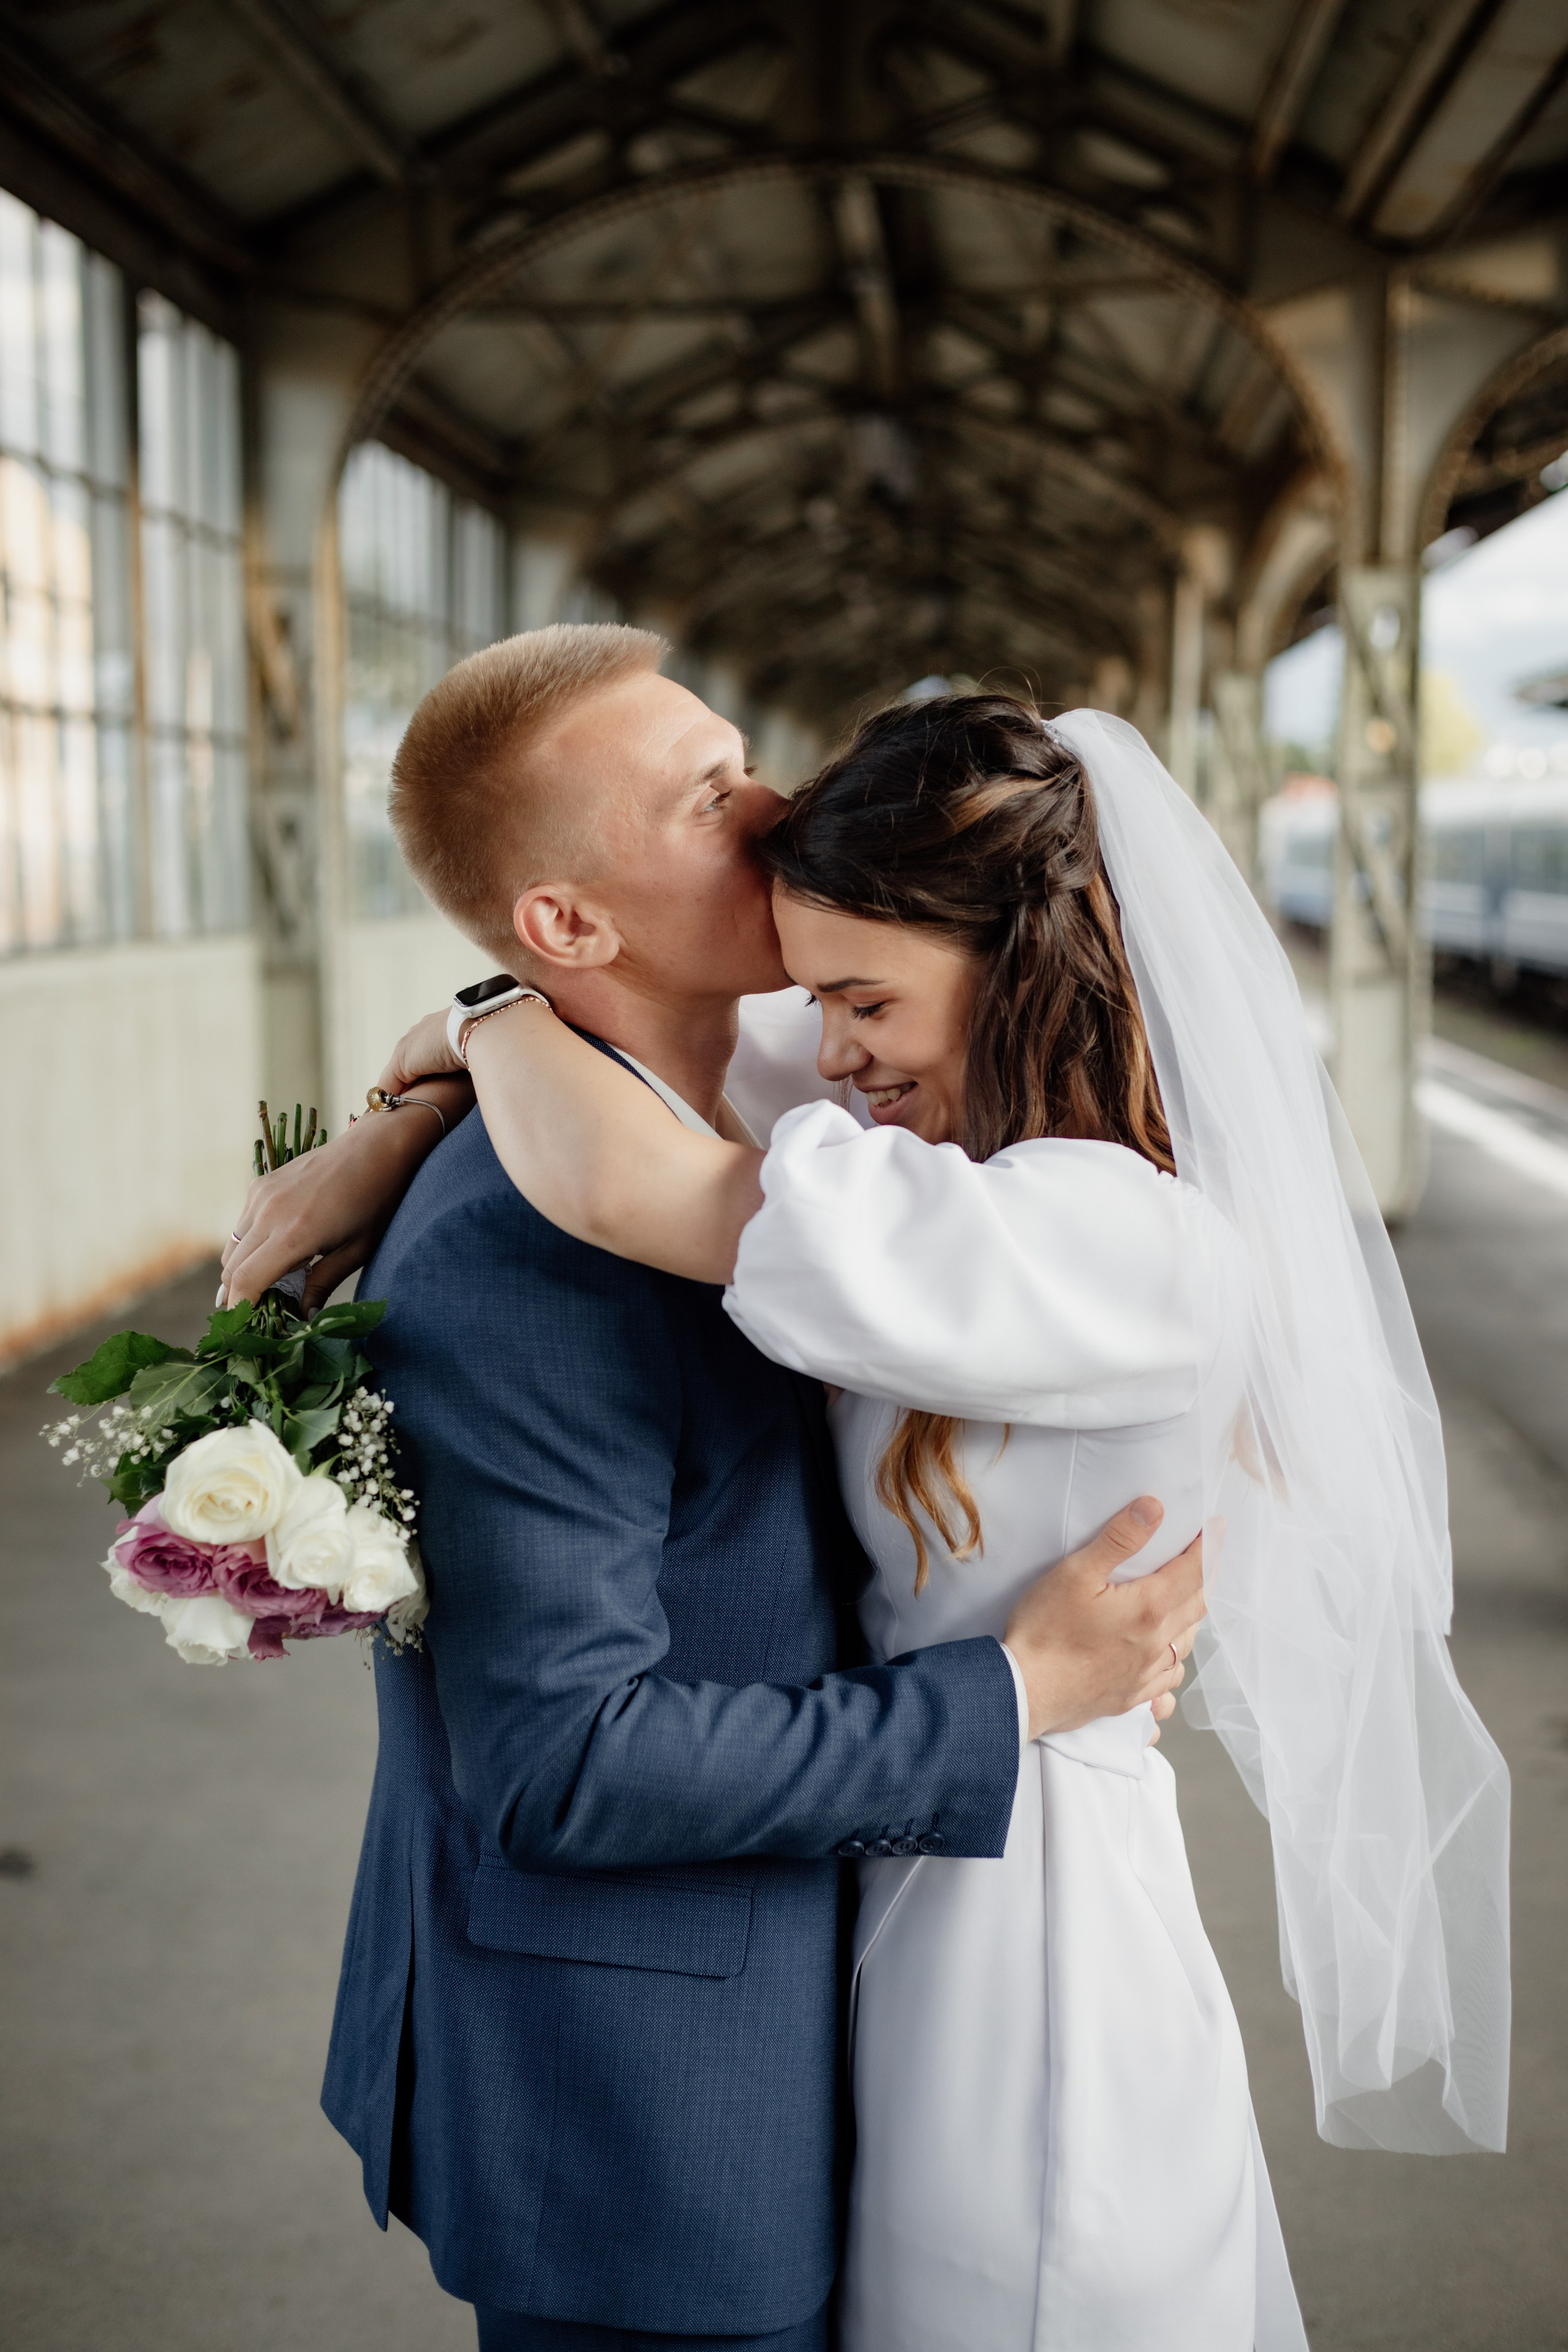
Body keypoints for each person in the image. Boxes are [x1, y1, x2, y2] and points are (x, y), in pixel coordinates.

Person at [225, 628, 1208, 2352]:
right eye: (703, 795)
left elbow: (647, 1150)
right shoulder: (538, 1243)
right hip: (658, 2113)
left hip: (899, 1978)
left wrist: (461, 1047)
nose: (772, 808)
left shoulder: (778, 1106)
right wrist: (1018, 1690)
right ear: (570, 922)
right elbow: (563, 1759)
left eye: (743, 756)